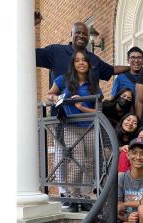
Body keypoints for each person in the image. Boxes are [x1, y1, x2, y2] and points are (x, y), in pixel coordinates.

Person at [43, 49, 102, 212]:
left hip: (90, 127)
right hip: (70, 126)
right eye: (77, 60)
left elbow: (98, 111)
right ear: (73, 64)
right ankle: (73, 196)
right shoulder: (63, 80)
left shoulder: (93, 84)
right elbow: (48, 96)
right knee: (78, 160)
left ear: (89, 64)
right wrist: (55, 98)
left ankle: (85, 197)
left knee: (90, 163)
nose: (81, 63)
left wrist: (82, 107)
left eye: (84, 60)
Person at [35, 20, 128, 86]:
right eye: (78, 33)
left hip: (89, 112)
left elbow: (112, 70)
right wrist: (31, 23)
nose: (81, 36)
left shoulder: (93, 59)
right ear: (71, 35)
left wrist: (134, 67)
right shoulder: (55, 51)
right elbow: (28, 56)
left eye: (85, 34)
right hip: (62, 112)